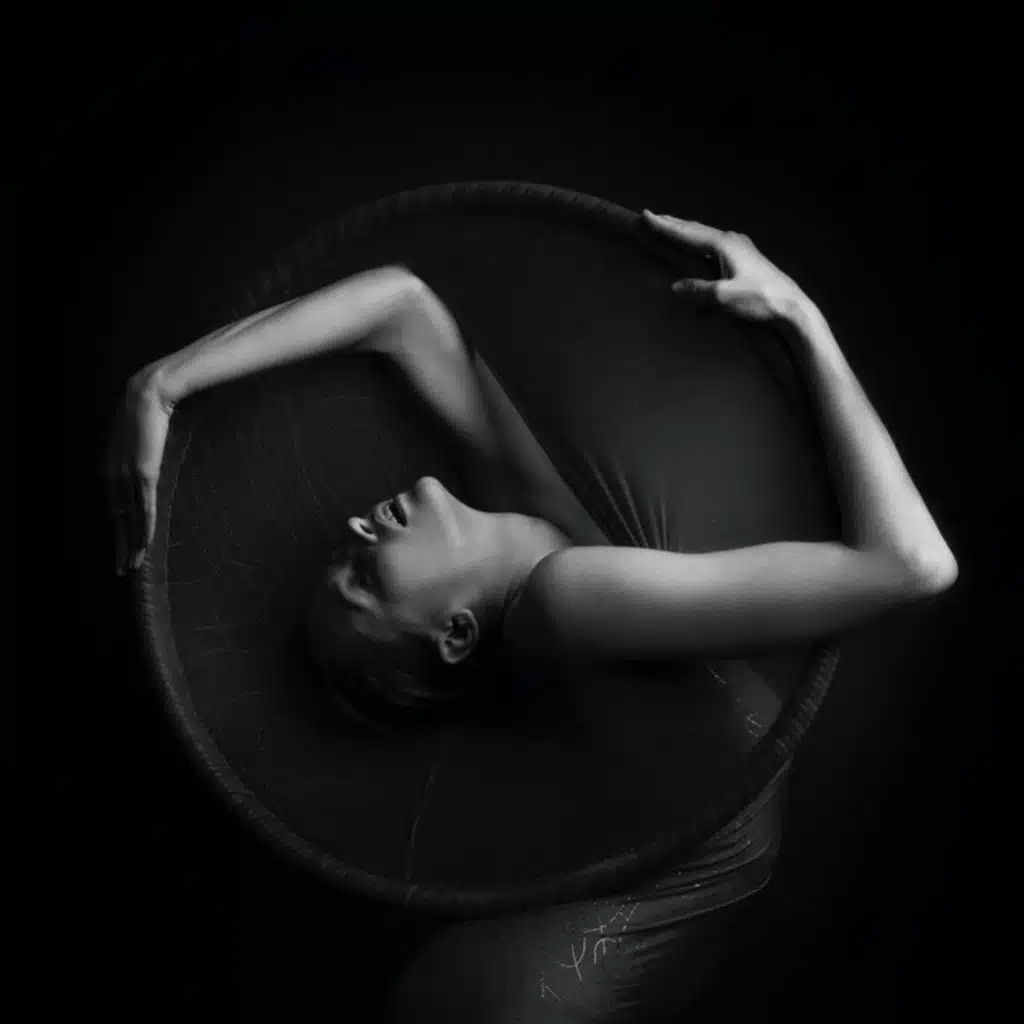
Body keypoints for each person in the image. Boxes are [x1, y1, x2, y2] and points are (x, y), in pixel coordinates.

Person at [105, 212, 958, 1021]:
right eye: (364, 576)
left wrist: (161, 386)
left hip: (607, 944)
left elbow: (399, 307)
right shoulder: (566, 601)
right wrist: (800, 316)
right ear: (456, 633)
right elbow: (912, 565)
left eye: (347, 549)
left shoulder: (531, 508)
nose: (359, 530)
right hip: (543, 983)